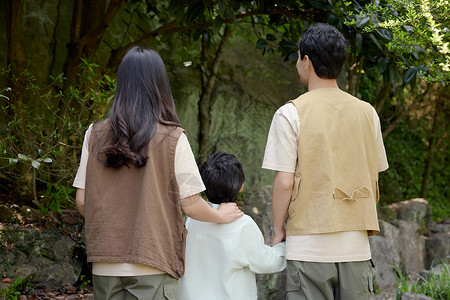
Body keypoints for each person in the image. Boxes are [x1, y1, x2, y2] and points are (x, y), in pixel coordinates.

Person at [73, 46, 243, 300]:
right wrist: (219, 215)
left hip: (105, 264)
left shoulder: (94, 133)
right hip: (154, 262)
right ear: (159, 85)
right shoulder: (173, 137)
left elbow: (83, 200)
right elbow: (190, 203)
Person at [262, 23, 389, 299]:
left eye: (298, 57)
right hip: (356, 246)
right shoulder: (368, 113)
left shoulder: (290, 114)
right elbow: (374, 175)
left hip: (308, 247)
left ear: (306, 61)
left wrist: (277, 230)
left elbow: (284, 182)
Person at [178, 152, 286, 300]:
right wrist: (284, 247)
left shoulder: (193, 219)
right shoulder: (242, 224)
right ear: (241, 186)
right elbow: (266, 262)